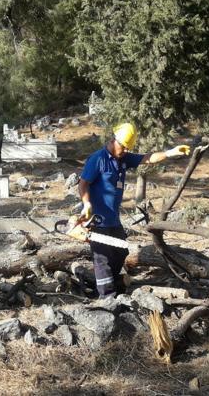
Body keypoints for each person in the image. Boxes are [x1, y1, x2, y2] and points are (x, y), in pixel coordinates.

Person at [78, 122, 190, 298]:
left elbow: (148, 158)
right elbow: (83, 183)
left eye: (127, 148)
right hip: (97, 220)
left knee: (122, 251)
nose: (124, 150)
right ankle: (106, 298)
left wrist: (170, 152)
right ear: (113, 140)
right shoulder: (97, 159)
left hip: (113, 220)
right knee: (103, 258)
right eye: (122, 146)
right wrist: (86, 203)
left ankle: (111, 286)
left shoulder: (123, 159)